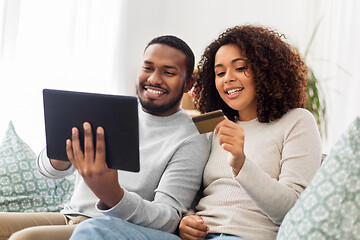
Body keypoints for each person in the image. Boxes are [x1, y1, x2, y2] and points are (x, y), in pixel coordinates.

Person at [0, 35, 210, 240]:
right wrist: (63, 153)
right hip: (69, 215)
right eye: (148, 68)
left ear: (188, 84)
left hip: (109, 227)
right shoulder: (110, 110)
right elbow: (46, 169)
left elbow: (169, 218)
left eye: (168, 72)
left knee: (25, 237)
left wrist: (113, 194)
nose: (154, 79)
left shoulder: (191, 139)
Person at [178, 25, 322, 240]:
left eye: (240, 67)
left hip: (246, 236)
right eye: (220, 72)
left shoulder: (297, 122)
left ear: (266, 71)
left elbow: (292, 209)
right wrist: (186, 220)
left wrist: (241, 163)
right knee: (109, 227)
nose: (227, 78)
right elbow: (191, 194)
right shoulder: (214, 125)